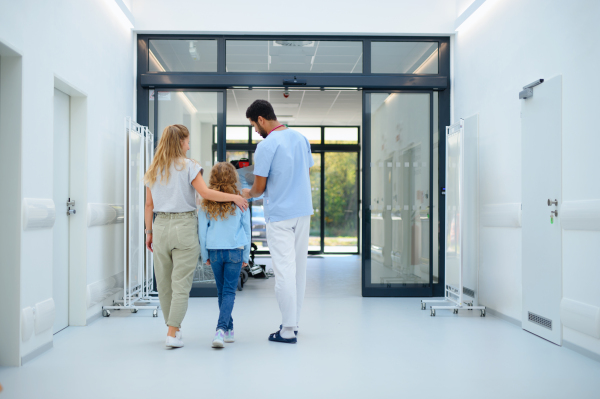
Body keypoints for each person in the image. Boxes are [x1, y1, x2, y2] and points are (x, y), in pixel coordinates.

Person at [144, 124, 248, 349]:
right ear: (180, 142)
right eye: (187, 141)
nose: (189, 146)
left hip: (159, 225)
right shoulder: (190, 166)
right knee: (180, 283)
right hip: (184, 225)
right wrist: (234, 198)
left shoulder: (153, 169)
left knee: (163, 283)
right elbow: (205, 193)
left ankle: (174, 330)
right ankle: (173, 332)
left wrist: (149, 232)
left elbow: (149, 205)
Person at [242, 100, 313, 344]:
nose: (255, 131)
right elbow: (305, 173)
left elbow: (259, 189)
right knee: (299, 271)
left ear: (261, 119)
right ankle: (293, 322)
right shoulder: (301, 139)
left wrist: (245, 192)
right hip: (303, 211)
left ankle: (287, 330)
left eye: (253, 125)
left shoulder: (266, 145)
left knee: (284, 271)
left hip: (281, 215)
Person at [198, 162, 251, 348]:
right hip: (235, 250)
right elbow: (247, 229)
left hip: (215, 251)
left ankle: (228, 329)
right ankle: (222, 330)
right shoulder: (240, 201)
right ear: (233, 178)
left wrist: (205, 254)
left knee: (222, 292)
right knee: (228, 292)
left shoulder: (205, 202)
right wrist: (246, 257)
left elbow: (202, 232)